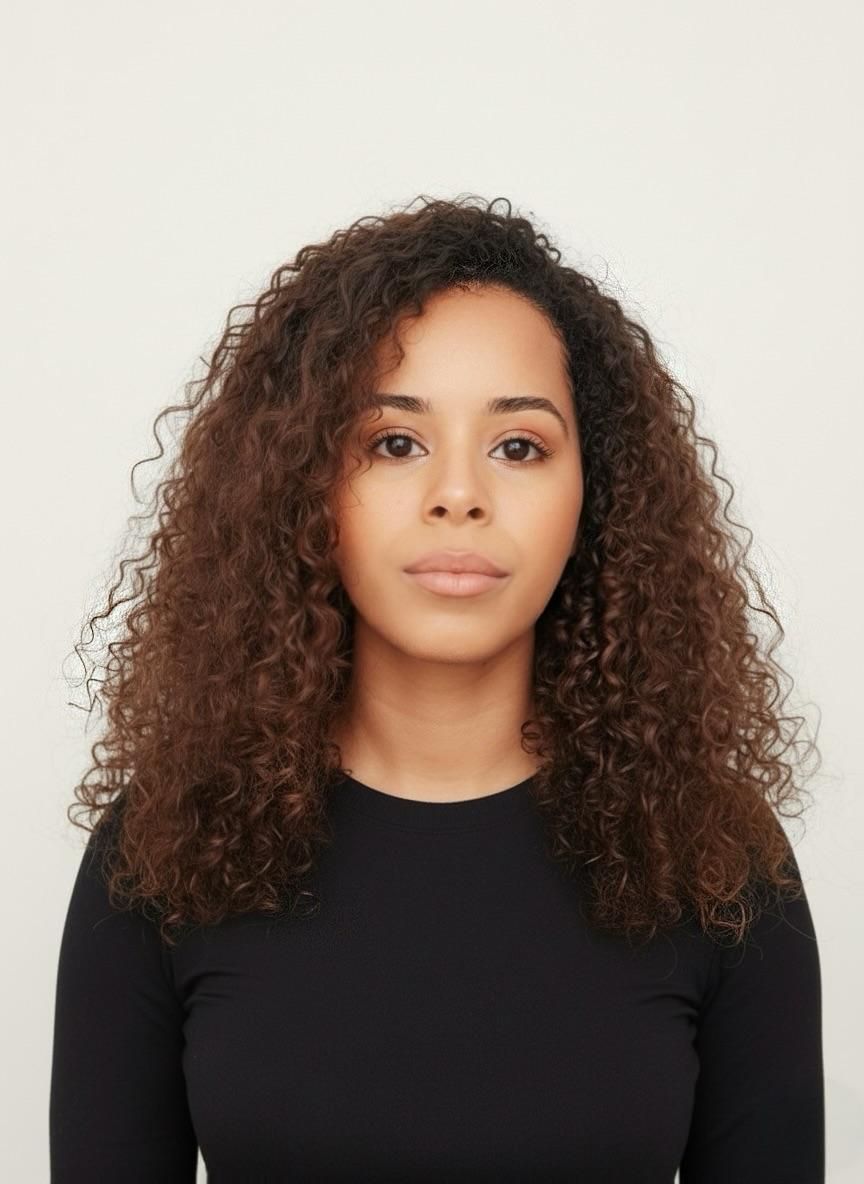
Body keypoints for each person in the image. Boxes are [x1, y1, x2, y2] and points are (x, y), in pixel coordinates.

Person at [50, 195, 824, 1182]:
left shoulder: (718, 858)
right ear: (306, 491)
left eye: (519, 446)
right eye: (394, 442)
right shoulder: (163, 848)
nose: (458, 494)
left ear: (597, 494)